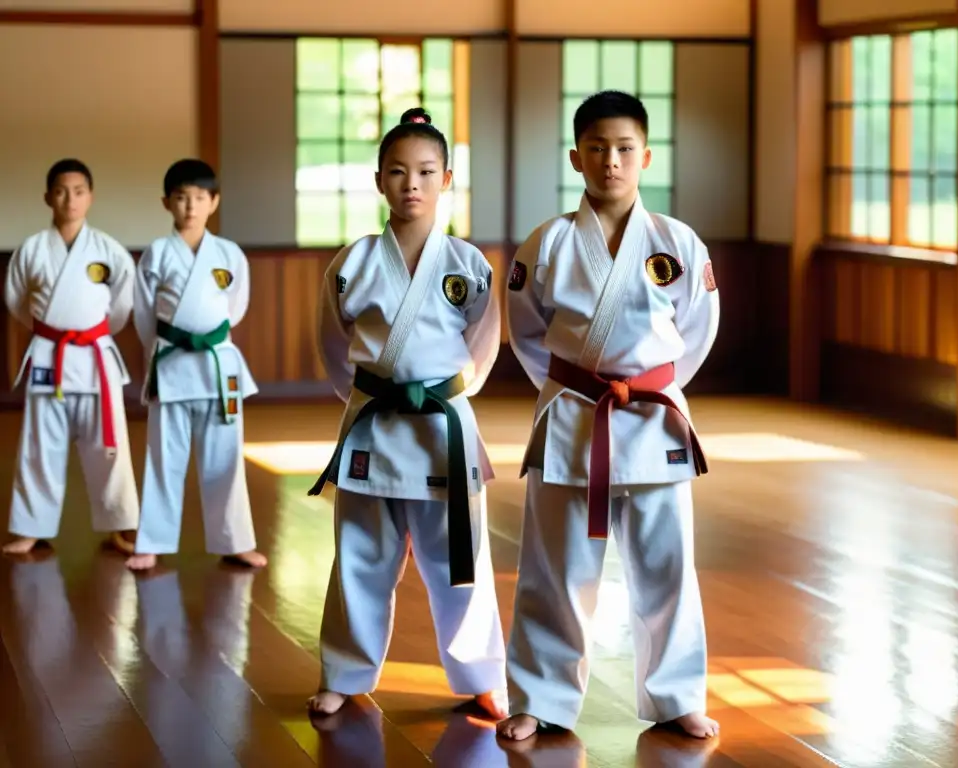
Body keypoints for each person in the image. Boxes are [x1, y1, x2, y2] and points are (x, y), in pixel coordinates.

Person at [497, 90, 721, 741]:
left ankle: (677, 696)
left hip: (653, 422)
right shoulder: (547, 244)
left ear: (646, 156)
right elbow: (527, 334)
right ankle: (539, 698)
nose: (611, 161)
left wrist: (650, 388)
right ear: (576, 157)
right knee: (554, 569)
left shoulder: (676, 241)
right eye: (597, 148)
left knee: (668, 566)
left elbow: (697, 332)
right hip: (573, 418)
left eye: (624, 149)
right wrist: (571, 392)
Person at [306, 107, 507, 721]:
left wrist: (446, 391)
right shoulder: (352, 264)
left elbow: (485, 345)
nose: (411, 184)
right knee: (361, 553)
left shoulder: (469, 266)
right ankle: (344, 671)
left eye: (425, 171)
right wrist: (370, 395)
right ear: (379, 181)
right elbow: (332, 348)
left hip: (442, 425)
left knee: (461, 558)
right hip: (373, 421)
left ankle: (481, 675)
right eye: (398, 171)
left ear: (447, 179)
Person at [125, 159, 266, 571]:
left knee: (225, 458)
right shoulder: (157, 253)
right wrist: (167, 348)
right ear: (167, 202)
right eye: (182, 197)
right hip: (172, 364)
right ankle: (152, 541)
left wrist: (206, 337)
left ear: (213, 202)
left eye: (199, 198)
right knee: (163, 458)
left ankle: (235, 540)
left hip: (217, 366)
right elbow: (144, 315)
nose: (190, 206)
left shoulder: (229, 254)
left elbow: (234, 309)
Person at [2, 159, 139, 556]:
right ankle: (31, 526)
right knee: (39, 444)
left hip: (95, 356)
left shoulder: (108, 250)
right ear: (48, 197)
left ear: (90, 197)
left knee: (109, 446)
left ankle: (122, 524)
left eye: (79, 191)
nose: (70, 199)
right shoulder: (31, 250)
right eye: (61, 191)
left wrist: (88, 331)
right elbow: (16, 300)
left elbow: (121, 306)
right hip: (49, 355)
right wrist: (53, 329)